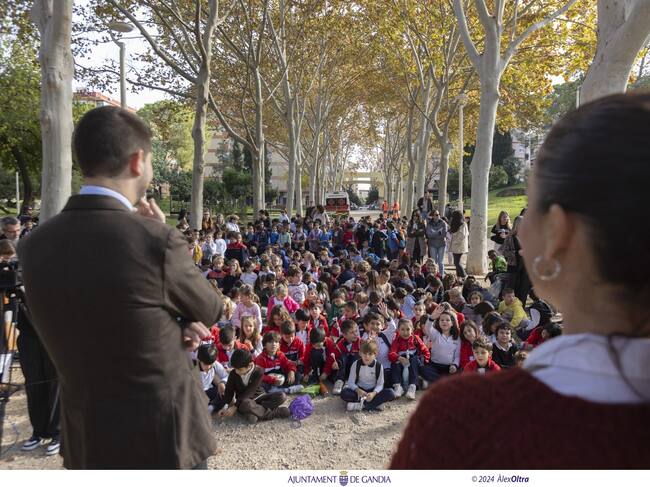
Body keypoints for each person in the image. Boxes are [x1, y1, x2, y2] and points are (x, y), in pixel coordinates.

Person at [19, 106, 222, 469]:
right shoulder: (155, 240)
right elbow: (210, 308)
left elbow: (100, 319)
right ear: (137, 161)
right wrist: (163, 234)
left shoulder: (33, 246)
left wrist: (173, 323)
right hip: (163, 441)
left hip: (87, 440)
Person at [219, 348, 290, 424]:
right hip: (244, 402)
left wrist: (235, 407)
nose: (236, 371)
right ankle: (275, 413)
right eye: (235, 369)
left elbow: (250, 391)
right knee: (247, 406)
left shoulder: (258, 371)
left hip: (260, 397)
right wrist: (225, 407)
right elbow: (229, 392)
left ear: (249, 365)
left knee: (281, 396)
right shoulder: (233, 374)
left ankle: (255, 411)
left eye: (239, 369)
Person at [340, 340, 396, 411]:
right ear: (360, 353)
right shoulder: (355, 364)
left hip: (372, 391)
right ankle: (375, 404)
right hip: (360, 390)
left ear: (375, 355)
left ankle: (361, 406)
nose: (367, 356)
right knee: (344, 393)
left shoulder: (379, 366)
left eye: (370, 354)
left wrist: (373, 393)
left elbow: (380, 384)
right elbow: (351, 382)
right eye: (364, 353)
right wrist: (358, 390)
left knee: (391, 393)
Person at [425, 211, 447, 276]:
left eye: (438, 214)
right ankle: (434, 276)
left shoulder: (443, 223)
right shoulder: (429, 224)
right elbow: (429, 234)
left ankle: (441, 276)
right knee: (434, 262)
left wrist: (434, 233)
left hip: (442, 244)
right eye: (436, 215)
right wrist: (438, 232)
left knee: (440, 262)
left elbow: (444, 234)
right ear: (432, 216)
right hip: (432, 244)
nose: (437, 216)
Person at [449, 210, 468, 279]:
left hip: (459, 246)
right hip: (455, 247)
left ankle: (464, 276)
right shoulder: (455, 225)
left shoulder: (463, 225)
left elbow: (462, 236)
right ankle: (459, 277)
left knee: (457, 263)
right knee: (457, 263)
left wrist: (455, 241)